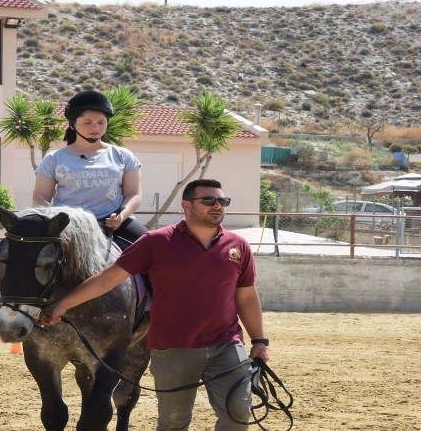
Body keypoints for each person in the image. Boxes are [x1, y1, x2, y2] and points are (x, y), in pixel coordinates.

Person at [41, 179, 269, 431]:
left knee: (238, 413)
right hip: (173, 349)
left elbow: (246, 296)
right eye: (208, 200)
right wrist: (62, 305)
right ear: (186, 205)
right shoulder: (156, 242)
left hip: (226, 346)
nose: (217, 206)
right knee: (173, 422)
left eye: (222, 201)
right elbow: (108, 279)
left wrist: (259, 340)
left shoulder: (238, 246)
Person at [33, 90, 146, 248]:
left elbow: (134, 194)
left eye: (101, 122)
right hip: (68, 225)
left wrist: (121, 216)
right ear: (72, 123)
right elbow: (40, 199)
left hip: (115, 223)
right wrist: (52, 225)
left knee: (154, 248)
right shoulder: (53, 159)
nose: (95, 127)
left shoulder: (124, 156)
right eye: (87, 122)